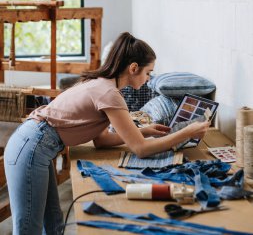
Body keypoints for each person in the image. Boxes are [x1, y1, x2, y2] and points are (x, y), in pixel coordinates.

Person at [4, 32, 210, 235]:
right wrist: (186, 132)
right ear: (133, 68)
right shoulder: (110, 93)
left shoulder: (101, 84)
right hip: (31, 147)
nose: (148, 79)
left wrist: (143, 131)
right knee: (28, 229)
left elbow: (101, 141)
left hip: (35, 144)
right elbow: (141, 149)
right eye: (148, 72)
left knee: (54, 224)